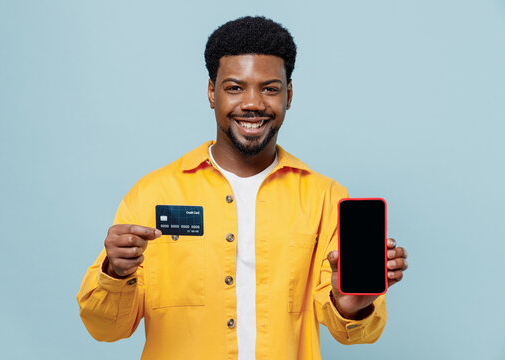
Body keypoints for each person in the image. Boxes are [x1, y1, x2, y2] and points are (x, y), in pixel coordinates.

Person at [77, 16, 409, 360]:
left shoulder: (325, 199)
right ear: (212, 92)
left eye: (269, 88)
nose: (252, 103)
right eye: (235, 88)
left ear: (289, 94)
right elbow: (105, 329)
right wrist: (115, 273)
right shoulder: (152, 195)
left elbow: (356, 334)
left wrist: (351, 304)